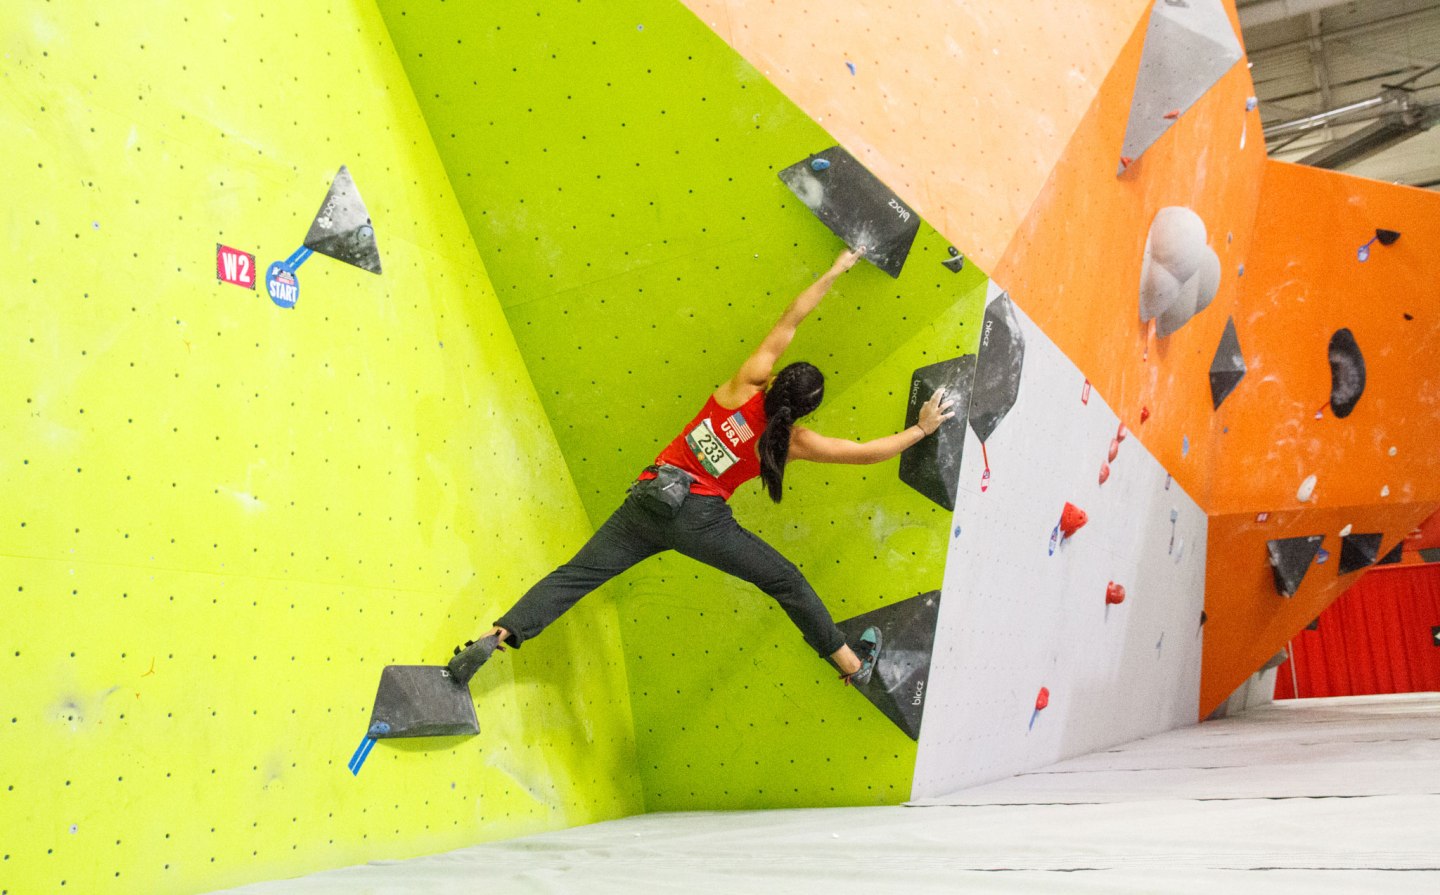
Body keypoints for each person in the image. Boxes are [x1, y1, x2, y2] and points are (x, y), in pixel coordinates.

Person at [449, 246, 954, 687]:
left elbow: (789, 321)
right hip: (700, 520)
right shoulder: (793, 441)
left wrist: (837, 268)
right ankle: (849, 661)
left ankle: (500, 634)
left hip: (650, 496)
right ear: (803, 410)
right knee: (786, 583)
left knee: (576, 574)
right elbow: (865, 452)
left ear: (775, 379)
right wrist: (922, 429)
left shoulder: (745, 383)